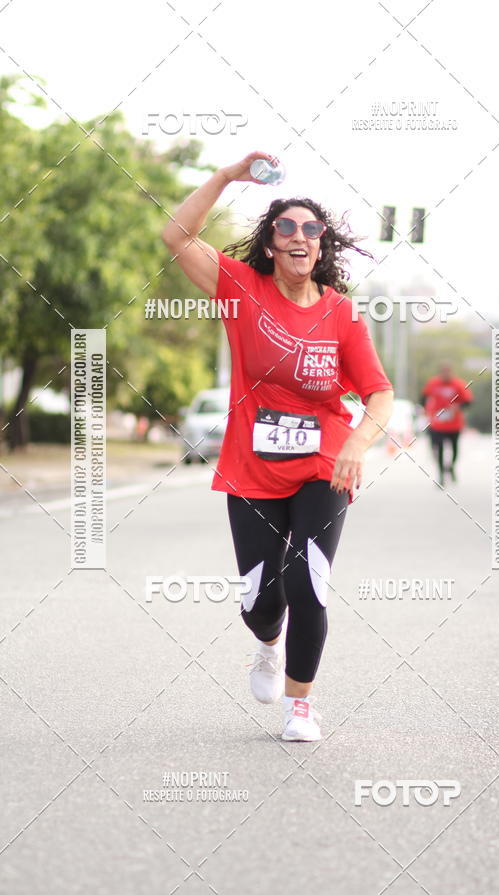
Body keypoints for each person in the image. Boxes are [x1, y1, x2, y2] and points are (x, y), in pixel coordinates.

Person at [161, 151, 394, 741]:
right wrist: (227, 175)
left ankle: (301, 707)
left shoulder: (342, 314)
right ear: (269, 243)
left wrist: (358, 443)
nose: (299, 236)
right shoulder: (241, 289)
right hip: (251, 465)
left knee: (307, 581)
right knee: (260, 600)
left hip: (324, 463)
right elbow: (175, 234)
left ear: (320, 247)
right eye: (285, 227)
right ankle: (266, 643)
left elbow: (380, 392)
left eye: (310, 229)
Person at [420, 362, 473, 486]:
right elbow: (423, 398)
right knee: (438, 449)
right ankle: (441, 474)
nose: (445, 374)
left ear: (451, 372)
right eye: (443, 372)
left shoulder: (458, 385)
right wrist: (426, 410)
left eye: (448, 372)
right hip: (437, 423)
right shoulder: (433, 384)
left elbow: (468, 402)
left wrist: (458, 406)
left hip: (454, 424)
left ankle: (451, 467)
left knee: (454, 449)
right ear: (440, 373)